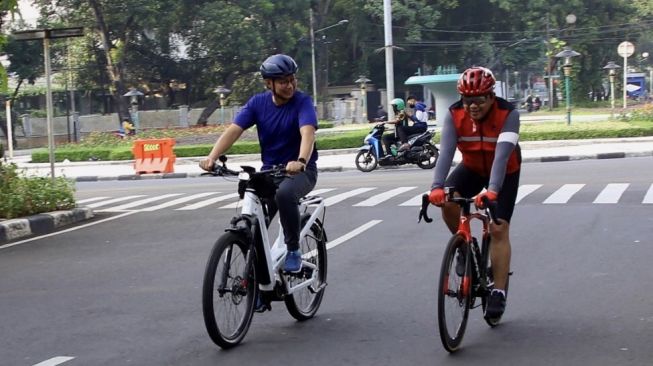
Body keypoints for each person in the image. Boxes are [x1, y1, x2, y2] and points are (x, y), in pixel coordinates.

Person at [199, 54, 318, 275]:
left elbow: (307, 133)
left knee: (284, 195)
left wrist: (301, 161)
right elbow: (234, 130)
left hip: (301, 171)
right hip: (270, 172)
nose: (290, 85)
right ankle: (257, 282)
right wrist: (212, 157)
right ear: (269, 83)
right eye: (283, 81)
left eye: (292, 79)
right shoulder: (258, 103)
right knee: (253, 222)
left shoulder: (302, 102)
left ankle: (293, 250)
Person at [428, 66, 521, 322]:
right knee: (447, 201)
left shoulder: (508, 114)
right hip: (471, 167)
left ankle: (499, 291)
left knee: (498, 228)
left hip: (504, 172)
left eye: (479, 100)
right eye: (467, 101)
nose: (472, 107)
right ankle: (463, 249)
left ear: (491, 97)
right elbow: (446, 153)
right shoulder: (454, 114)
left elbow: (502, 157)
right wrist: (436, 187)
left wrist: (492, 192)